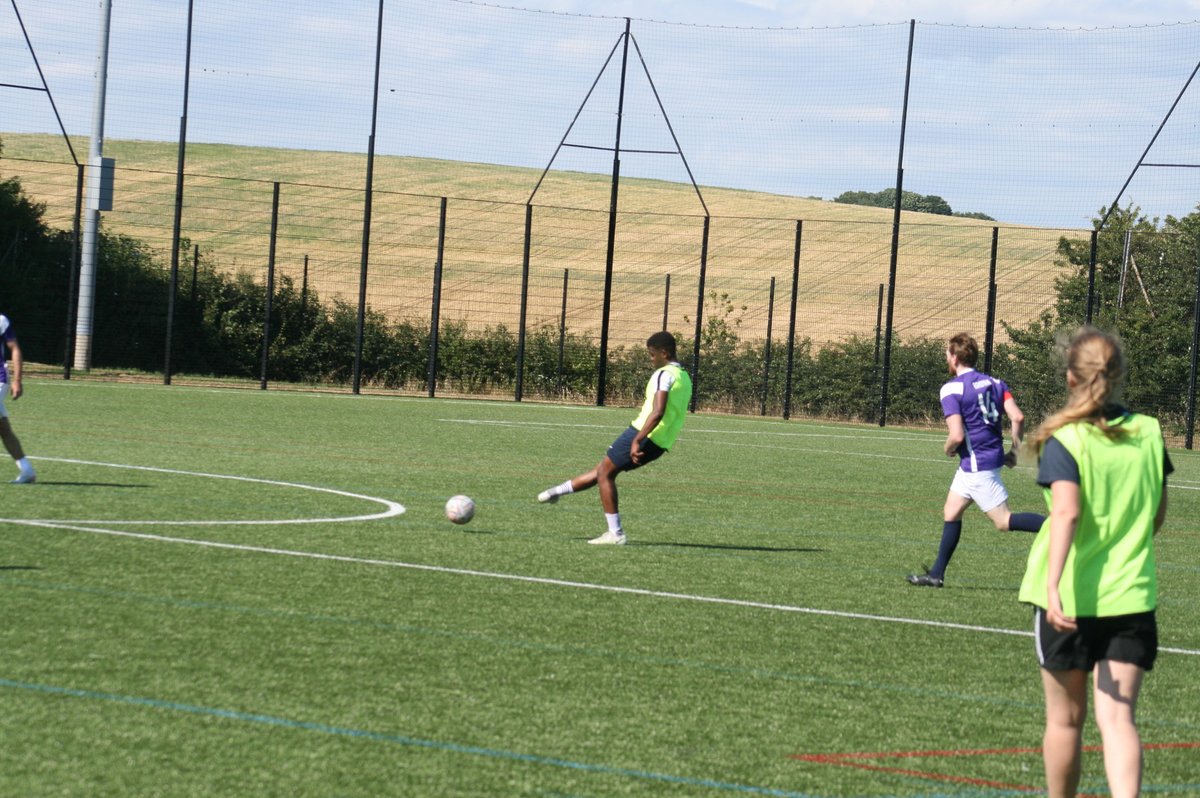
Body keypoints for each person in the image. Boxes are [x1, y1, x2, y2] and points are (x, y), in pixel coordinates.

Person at [1019, 327, 1170, 798]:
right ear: (1118, 375)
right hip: (1130, 597)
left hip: (1070, 600)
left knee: (1065, 721)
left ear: (1071, 378)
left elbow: (1066, 513)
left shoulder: (1066, 439)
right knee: (1119, 720)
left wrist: (1053, 587)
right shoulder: (1149, 432)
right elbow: (1156, 515)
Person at [907, 332, 1044, 587]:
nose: (946, 359)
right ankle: (936, 575)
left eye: (947, 354)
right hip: (980, 461)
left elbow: (956, 435)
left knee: (1003, 521)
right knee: (951, 511)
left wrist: (947, 449)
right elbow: (1018, 417)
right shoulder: (996, 383)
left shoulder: (951, 389)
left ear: (955, 358)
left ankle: (1059, 526)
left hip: (976, 465)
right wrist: (1015, 451)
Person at [537, 331, 692, 545]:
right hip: (662, 441)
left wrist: (637, 439)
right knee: (604, 470)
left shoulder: (663, 375)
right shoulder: (684, 376)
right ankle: (557, 491)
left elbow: (658, 411)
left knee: (605, 473)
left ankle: (615, 533)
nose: (650, 359)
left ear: (664, 353)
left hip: (644, 432)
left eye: (652, 354)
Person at [0, 314, 36, 484]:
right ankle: (27, 471)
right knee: (3, 429)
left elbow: (14, 348)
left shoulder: (1, 320)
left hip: (0, 379)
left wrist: (17, 380)